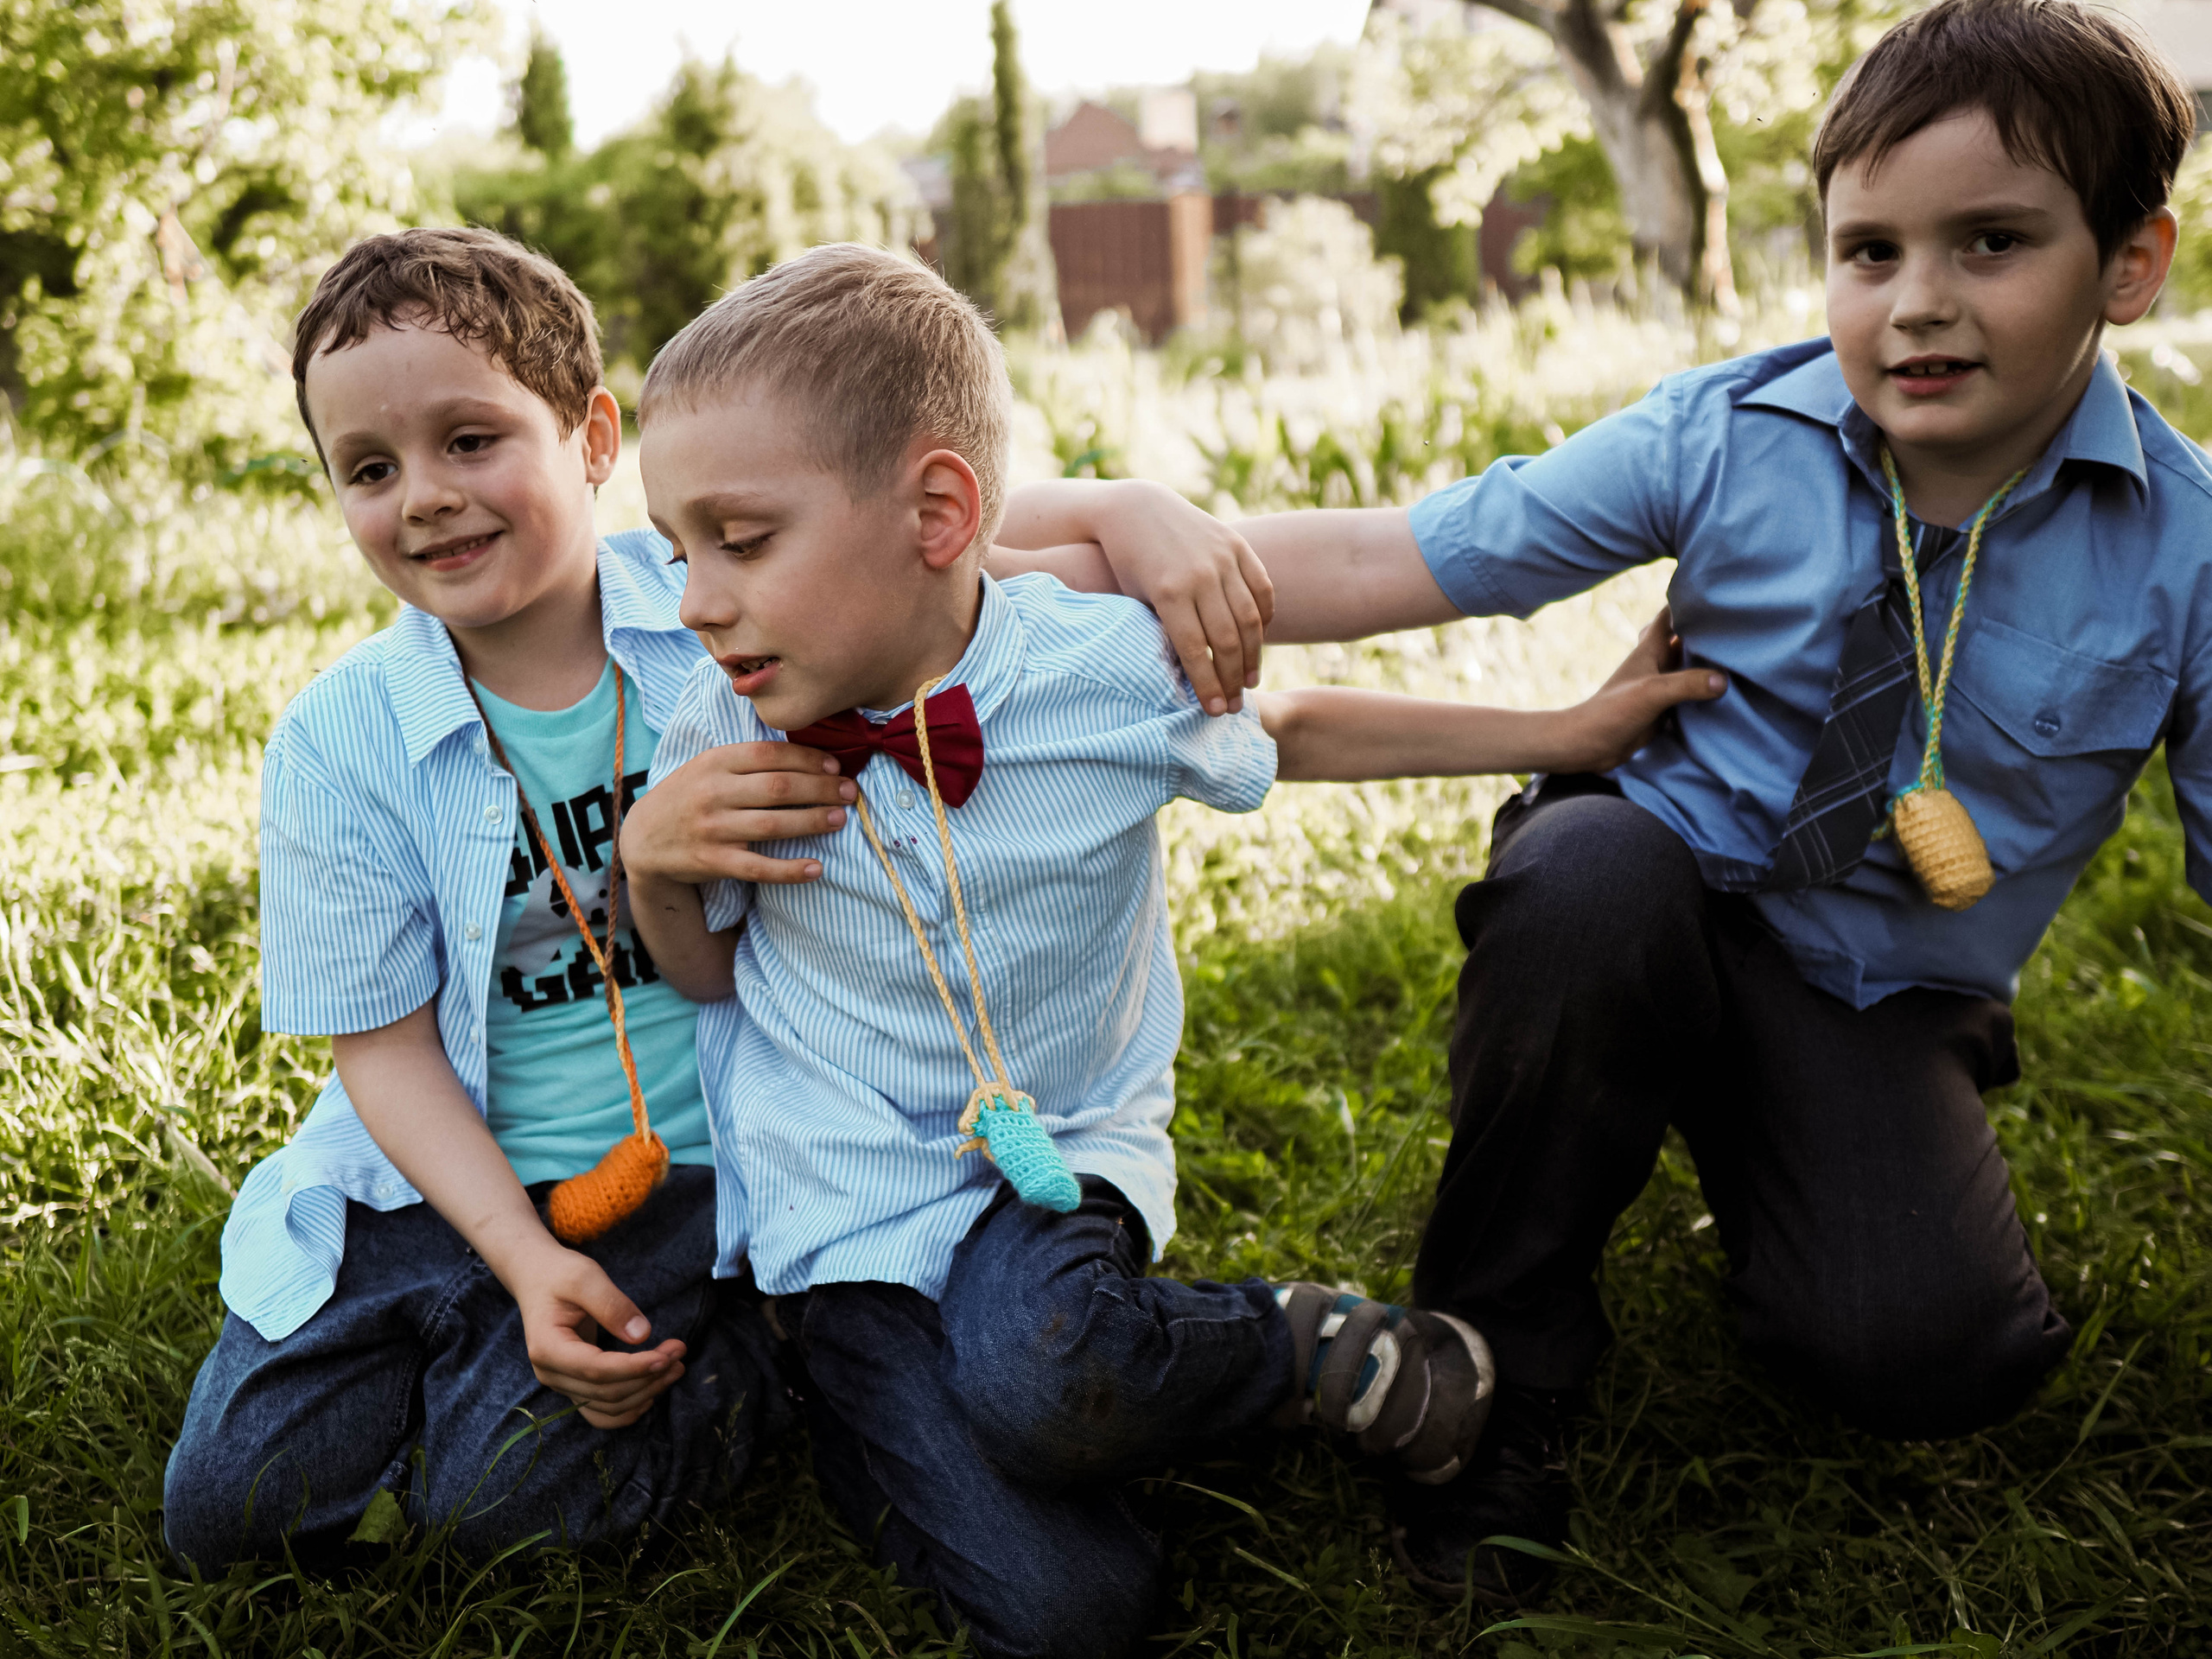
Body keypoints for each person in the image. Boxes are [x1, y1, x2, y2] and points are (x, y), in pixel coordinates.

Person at [1005, 0, 2210, 1610]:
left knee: (1929, 1356)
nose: (1919, 305)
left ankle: (1791, 1152)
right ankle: (1496, 1375)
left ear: (2133, 264)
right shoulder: (1729, 437)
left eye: (1993, 243)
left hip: (1878, 987)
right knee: (1589, 886)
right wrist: (1110, 536)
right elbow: (1394, 558)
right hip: (1648, 880)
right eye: (1869, 253)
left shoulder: (2187, 559)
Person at [614, 240, 1727, 1658]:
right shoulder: (721, 728)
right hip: (840, 1206)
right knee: (1075, 1612)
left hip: (1055, 1150)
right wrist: (653, 868)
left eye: (743, 540)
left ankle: (1307, 1351)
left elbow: (1298, 728)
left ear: (940, 513)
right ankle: (859, 1393)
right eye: (676, 551)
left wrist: (1561, 736)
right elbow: (706, 977)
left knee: (1039, 1370)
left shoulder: (1091, 672)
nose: (698, 599)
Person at [159, 226, 1278, 1569]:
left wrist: (1127, 509)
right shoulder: (341, 739)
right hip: (425, 1170)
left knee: (501, 1515)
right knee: (228, 1514)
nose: (427, 499)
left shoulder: (722, 605)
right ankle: (478, 1337)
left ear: (590, 439)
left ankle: (747, 1365)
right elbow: (385, 1055)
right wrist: (518, 1259)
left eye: (470, 442)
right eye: (370, 469)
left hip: (684, 1178)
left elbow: (925, 531)